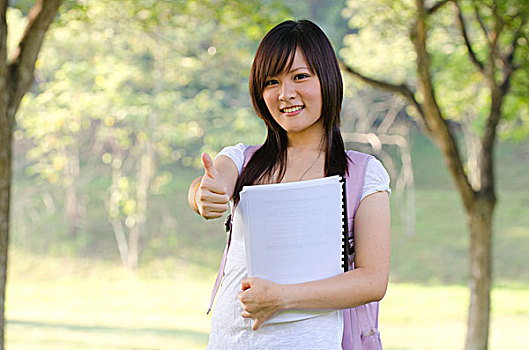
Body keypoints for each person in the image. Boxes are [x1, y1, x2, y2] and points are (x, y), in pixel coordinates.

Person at [187, 19, 391, 349]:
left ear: (326, 78)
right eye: (272, 81)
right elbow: (211, 182)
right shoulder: (243, 160)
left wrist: (282, 297)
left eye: (299, 77)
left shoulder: (363, 173)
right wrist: (203, 194)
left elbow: (372, 280)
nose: (285, 94)